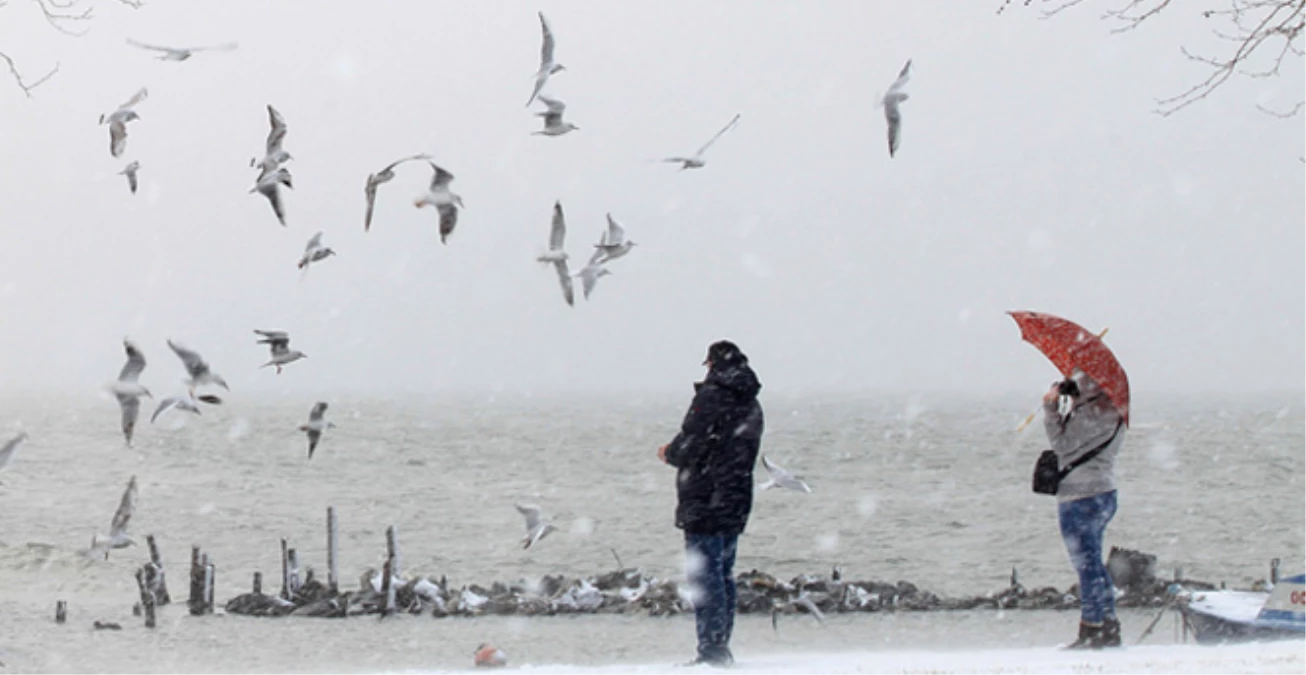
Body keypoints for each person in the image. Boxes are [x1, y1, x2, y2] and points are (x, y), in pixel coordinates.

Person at [658, 340, 764, 667]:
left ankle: (712, 651)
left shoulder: (711, 396)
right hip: (736, 495)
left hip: (704, 496)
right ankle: (720, 645)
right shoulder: (751, 403)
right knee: (724, 573)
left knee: (705, 576)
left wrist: (670, 454)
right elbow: (738, 449)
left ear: (712, 364)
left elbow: (692, 440)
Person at [1043, 369, 1127, 649]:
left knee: (1086, 565)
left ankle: (1092, 629)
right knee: (1093, 562)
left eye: (1078, 380)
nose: (1072, 384)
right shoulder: (1115, 410)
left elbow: (1062, 445)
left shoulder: (1092, 413)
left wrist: (1051, 407)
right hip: (1104, 492)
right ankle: (1109, 625)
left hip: (1080, 496)